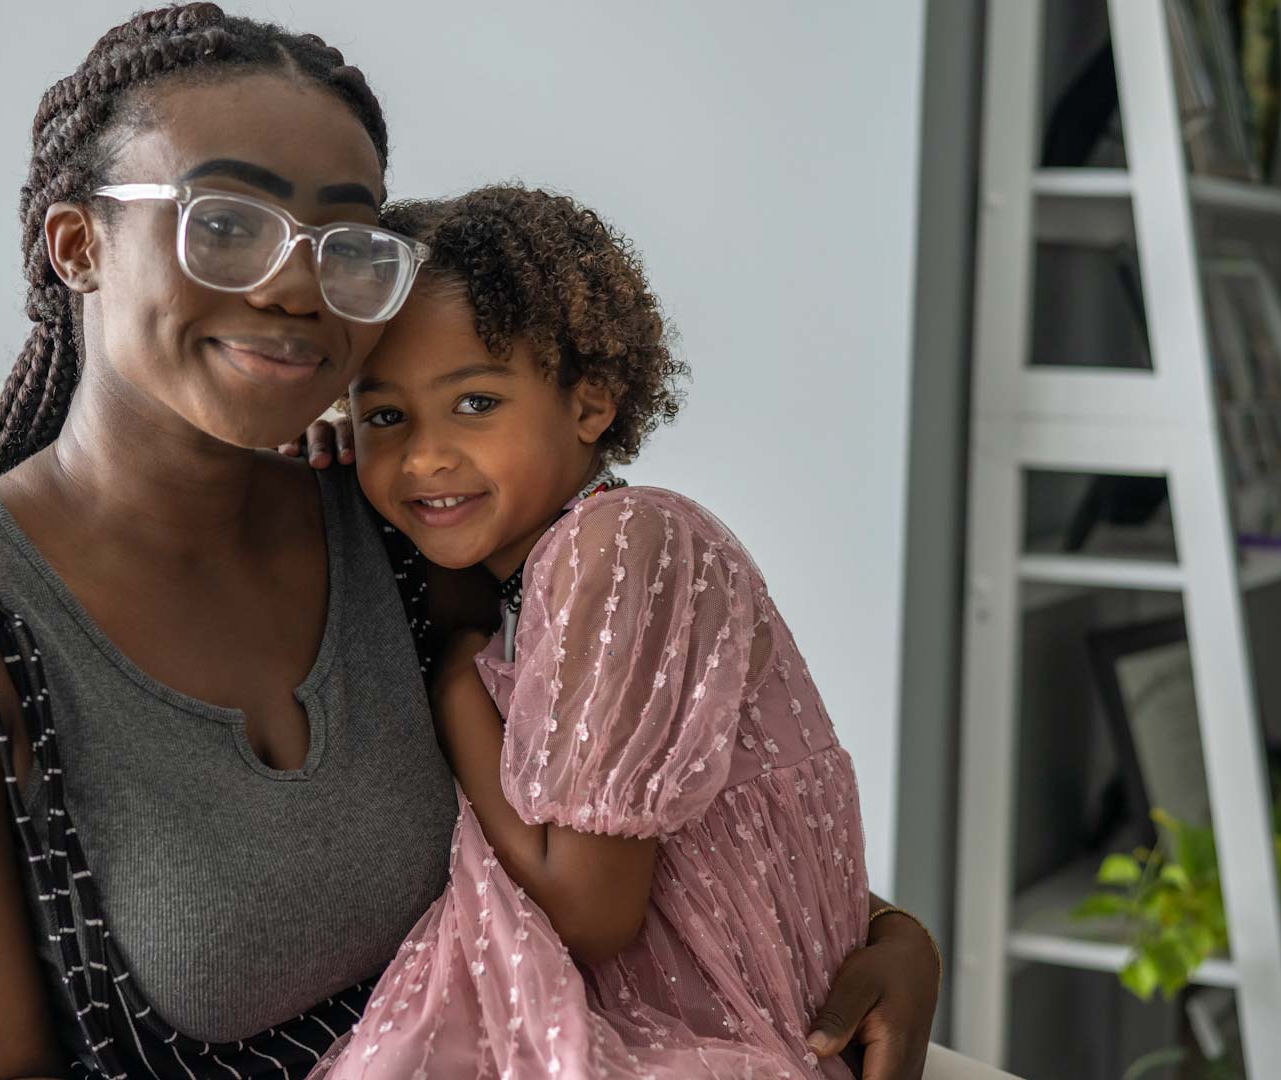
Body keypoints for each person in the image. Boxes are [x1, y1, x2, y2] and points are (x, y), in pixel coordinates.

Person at [0, 6, 941, 1078]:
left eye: (345, 241)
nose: (300, 287)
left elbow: (616, 806)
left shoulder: (404, 528)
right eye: (227, 224)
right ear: (79, 245)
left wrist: (888, 932)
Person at [308, 186, 911, 1078]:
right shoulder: (532, 573)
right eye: (386, 416)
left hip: (717, 1034)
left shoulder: (621, 543)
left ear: (591, 404)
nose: (424, 455)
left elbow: (587, 912)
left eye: (475, 402)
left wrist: (452, 684)